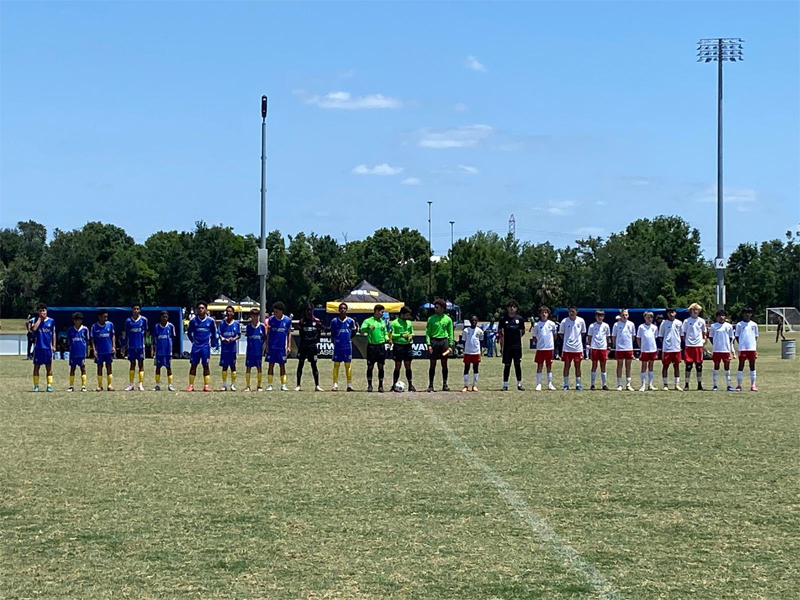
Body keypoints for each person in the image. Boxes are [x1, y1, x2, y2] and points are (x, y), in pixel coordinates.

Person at [187, 300, 218, 392]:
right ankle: (191, 385)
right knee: (193, 365)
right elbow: (189, 333)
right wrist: (193, 341)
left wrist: (213, 343)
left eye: (202, 308)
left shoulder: (210, 321)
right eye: (199, 308)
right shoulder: (193, 321)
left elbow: (214, 333)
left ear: (206, 309)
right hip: (196, 347)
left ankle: (206, 385)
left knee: (206, 365)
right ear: (196, 310)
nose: (200, 310)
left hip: (205, 347)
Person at [425, 298, 454, 392]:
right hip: (434, 341)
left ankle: (445, 384)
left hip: (444, 341)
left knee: (444, 363)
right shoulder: (431, 319)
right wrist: (428, 344)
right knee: (432, 363)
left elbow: (451, 333)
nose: (435, 309)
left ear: (442, 308)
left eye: (437, 307)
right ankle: (431, 385)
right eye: (435, 307)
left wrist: (451, 344)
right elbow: (428, 333)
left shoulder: (448, 319)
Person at [498, 299, 525, 391]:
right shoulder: (503, 319)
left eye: (513, 307)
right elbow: (500, 331)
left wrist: (516, 338)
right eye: (510, 307)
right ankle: (505, 385)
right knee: (507, 365)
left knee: (517, 364)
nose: (512, 308)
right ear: (507, 308)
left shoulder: (520, 319)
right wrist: (503, 341)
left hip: (517, 346)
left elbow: (522, 331)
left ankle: (519, 384)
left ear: (516, 308)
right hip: (507, 346)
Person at [330, 302, 358, 391]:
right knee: (336, 365)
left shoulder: (350, 321)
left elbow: (353, 332)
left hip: (347, 346)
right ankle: (335, 384)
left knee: (348, 365)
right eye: (341, 308)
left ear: (347, 310)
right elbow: (332, 333)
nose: (343, 310)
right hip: (338, 346)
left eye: (344, 308)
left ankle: (349, 385)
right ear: (338, 310)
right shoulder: (334, 321)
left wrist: (348, 339)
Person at [361, 304, 389, 392]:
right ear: (376, 311)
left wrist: (387, 338)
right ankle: (369, 385)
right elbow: (361, 330)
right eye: (381, 312)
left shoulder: (382, 322)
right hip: (372, 346)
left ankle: (380, 385)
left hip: (381, 346)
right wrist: (368, 327)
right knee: (370, 366)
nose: (382, 314)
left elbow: (385, 332)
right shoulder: (368, 320)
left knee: (381, 366)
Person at [296, 304, 323, 392]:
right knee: (300, 364)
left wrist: (314, 342)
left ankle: (317, 385)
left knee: (314, 365)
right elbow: (301, 334)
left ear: (313, 310)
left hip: (312, 347)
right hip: (303, 346)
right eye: (307, 310)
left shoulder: (317, 321)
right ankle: (298, 385)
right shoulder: (302, 321)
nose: (309, 312)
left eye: (310, 310)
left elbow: (319, 334)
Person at [559, 305, 587, 390]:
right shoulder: (564, 321)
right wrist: (567, 340)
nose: (571, 313)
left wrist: (576, 340)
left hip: (577, 348)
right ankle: (566, 384)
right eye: (570, 311)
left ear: (576, 312)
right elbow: (561, 333)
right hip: (567, 348)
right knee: (566, 366)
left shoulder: (581, 321)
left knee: (577, 366)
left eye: (573, 312)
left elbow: (583, 333)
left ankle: (578, 384)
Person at [266, 301, 292, 391]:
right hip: (272, 347)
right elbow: (268, 333)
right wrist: (267, 345)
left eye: (276, 312)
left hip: (282, 348)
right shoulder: (271, 320)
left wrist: (288, 346)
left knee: (282, 365)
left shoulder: (287, 320)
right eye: (274, 312)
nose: (275, 313)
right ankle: (270, 385)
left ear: (281, 311)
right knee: (271, 365)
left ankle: (283, 385)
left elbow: (289, 333)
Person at [389, 305, 416, 392]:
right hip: (398, 346)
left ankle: (410, 385)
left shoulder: (409, 323)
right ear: (402, 314)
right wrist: (401, 335)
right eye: (407, 315)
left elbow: (412, 333)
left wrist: (410, 336)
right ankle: (394, 385)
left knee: (408, 366)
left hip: (407, 346)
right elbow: (391, 335)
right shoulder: (394, 323)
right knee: (397, 366)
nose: (408, 317)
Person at [681, 302, 707, 391]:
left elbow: (704, 333)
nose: (696, 311)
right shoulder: (686, 321)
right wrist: (687, 341)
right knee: (688, 366)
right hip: (689, 346)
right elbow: (683, 334)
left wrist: (703, 341)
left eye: (698, 310)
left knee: (699, 366)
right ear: (691, 310)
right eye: (695, 310)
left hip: (698, 346)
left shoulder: (701, 321)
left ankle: (699, 384)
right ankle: (686, 384)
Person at [532, 306, 559, 391]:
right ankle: (539, 384)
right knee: (539, 365)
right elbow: (534, 337)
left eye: (546, 312)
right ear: (540, 314)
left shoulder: (552, 324)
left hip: (549, 348)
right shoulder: (536, 325)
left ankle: (550, 384)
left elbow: (555, 336)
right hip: (540, 349)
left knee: (549, 366)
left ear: (548, 314)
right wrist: (539, 344)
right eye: (542, 313)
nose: (544, 314)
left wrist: (550, 344)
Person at [709, 309, 736, 392]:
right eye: (719, 315)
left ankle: (728, 385)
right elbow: (711, 337)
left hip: (726, 350)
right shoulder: (713, 326)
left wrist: (729, 347)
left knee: (727, 367)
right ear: (717, 317)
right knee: (716, 366)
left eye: (723, 315)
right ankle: (715, 385)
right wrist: (716, 344)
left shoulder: (729, 326)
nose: (721, 317)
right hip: (716, 350)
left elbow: (731, 337)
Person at [124, 304, 149, 391]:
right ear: (132, 310)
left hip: (140, 346)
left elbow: (145, 331)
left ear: (140, 310)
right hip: (131, 346)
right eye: (134, 309)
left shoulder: (144, 320)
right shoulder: (128, 321)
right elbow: (127, 332)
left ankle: (140, 384)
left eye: (137, 309)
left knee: (141, 364)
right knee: (132, 364)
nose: (136, 310)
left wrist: (143, 342)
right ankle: (131, 384)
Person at [31, 303, 56, 392]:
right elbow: (33, 329)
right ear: (38, 312)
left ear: (46, 311)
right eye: (40, 311)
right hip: (38, 348)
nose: (42, 312)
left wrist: (54, 345)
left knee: (48, 367)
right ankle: (36, 386)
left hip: (47, 348)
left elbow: (53, 333)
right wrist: (39, 320)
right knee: (36, 367)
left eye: (43, 311)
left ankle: (49, 385)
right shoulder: (36, 320)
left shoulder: (51, 321)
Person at [658, 308, 683, 391]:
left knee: (676, 366)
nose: (671, 314)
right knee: (665, 366)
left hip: (676, 348)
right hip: (667, 349)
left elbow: (681, 334)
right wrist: (666, 343)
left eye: (672, 312)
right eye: (669, 313)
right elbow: (661, 336)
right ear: (667, 314)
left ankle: (677, 384)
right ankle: (665, 384)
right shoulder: (664, 323)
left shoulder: (679, 323)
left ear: (675, 313)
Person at [91, 309, 116, 391]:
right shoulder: (94, 327)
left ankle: (109, 385)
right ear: (99, 317)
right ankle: (100, 385)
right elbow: (92, 339)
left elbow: (113, 336)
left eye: (106, 317)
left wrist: (113, 346)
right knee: (99, 367)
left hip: (108, 350)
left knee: (109, 366)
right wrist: (94, 350)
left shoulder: (110, 324)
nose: (106, 318)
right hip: (99, 351)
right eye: (104, 317)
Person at [735, 307, 759, 392]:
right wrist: (742, 344)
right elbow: (737, 336)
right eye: (745, 313)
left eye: (749, 313)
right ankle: (739, 385)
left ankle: (753, 385)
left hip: (751, 348)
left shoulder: (754, 324)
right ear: (743, 314)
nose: (747, 314)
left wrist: (752, 345)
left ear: (751, 314)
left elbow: (755, 336)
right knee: (741, 365)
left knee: (752, 366)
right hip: (742, 349)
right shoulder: (739, 325)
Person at [611, 308, 636, 391]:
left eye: (626, 315)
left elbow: (633, 336)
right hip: (619, 349)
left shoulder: (631, 324)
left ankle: (628, 384)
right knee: (619, 365)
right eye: (623, 315)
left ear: (628, 315)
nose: (625, 316)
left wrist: (629, 344)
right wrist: (616, 345)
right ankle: (619, 384)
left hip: (628, 348)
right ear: (620, 315)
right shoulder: (616, 325)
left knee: (628, 366)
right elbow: (614, 336)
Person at [218, 305, 241, 391]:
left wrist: (233, 339)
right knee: (224, 366)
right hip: (224, 349)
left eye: (230, 311)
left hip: (232, 349)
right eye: (227, 311)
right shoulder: (222, 323)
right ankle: (224, 385)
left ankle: (233, 385)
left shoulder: (236, 324)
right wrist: (223, 339)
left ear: (233, 313)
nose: (228, 313)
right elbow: (219, 334)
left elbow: (238, 335)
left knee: (233, 366)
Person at [587, 310, 611, 391]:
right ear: (595, 317)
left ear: (603, 317)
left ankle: (604, 384)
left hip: (603, 348)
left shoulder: (606, 326)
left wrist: (608, 346)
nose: (600, 317)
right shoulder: (592, 326)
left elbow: (607, 337)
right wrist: (589, 345)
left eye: (601, 316)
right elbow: (589, 336)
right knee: (594, 365)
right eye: (598, 316)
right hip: (594, 348)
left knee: (603, 366)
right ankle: (592, 384)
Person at [244, 308, 267, 392]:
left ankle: (259, 385)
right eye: (253, 316)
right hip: (250, 351)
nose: (255, 317)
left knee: (259, 367)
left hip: (258, 351)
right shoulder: (248, 327)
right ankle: (247, 386)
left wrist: (264, 348)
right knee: (248, 367)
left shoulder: (262, 326)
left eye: (256, 316)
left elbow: (265, 337)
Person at [153, 311, 176, 391]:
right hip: (159, 351)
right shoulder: (157, 326)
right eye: (163, 317)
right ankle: (157, 385)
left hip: (167, 352)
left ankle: (170, 385)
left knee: (168, 367)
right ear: (160, 317)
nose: (165, 318)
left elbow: (173, 337)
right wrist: (154, 350)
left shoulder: (171, 326)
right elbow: (154, 338)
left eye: (166, 317)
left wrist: (170, 348)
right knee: (158, 367)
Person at [67, 312, 89, 392]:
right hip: (73, 353)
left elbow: (87, 340)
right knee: (72, 369)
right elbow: (69, 341)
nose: (77, 321)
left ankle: (83, 386)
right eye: (75, 320)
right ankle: (71, 386)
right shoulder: (70, 330)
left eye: (78, 320)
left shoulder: (85, 329)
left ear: (81, 320)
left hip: (81, 353)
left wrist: (87, 352)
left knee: (83, 368)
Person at [636, 311, 659, 391]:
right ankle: (643, 385)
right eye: (648, 317)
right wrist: (641, 347)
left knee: (651, 366)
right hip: (644, 350)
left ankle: (650, 384)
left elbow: (655, 338)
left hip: (653, 349)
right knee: (644, 366)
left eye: (651, 317)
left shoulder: (654, 327)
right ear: (644, 318)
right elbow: (638, 338)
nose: (649, 319)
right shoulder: (641, 327)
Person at [461, 315, 484, 392]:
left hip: (476, 352)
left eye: (475, 320)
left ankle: (474, 385)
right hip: (468, 352)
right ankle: (465, 385)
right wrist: (464, 351)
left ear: (477, 321)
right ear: (470, 321)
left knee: (476, 368)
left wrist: (480, 351)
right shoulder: (466, 330)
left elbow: (481, 341)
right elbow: (463, 341)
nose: (473, 322)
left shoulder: (479, 331)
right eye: (472, 320)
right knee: (466, 368)